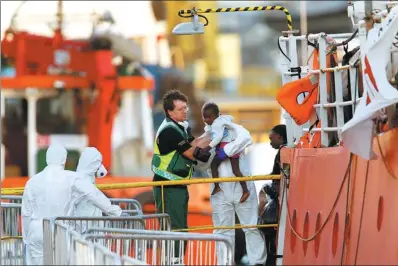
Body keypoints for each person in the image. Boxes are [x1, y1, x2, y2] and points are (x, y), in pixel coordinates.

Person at [21, 143, 123, 265]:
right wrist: (115, 211)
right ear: (64, 159)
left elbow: (26, 213)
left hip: (37, 230)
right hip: (60, 230)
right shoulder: (71, 178)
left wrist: (26, 237)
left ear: (47, 159)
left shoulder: (32, 182)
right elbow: (94, 195)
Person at [151, 89, 211, 264]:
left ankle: (176, 260)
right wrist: (212, 139)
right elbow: (194, 153)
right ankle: (174, 261)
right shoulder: (169, 131)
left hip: (177, 185)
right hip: (167, 186)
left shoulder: (180, 127)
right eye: (180, 109)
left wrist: (212, 132)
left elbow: (193, 143)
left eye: (185, 108)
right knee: (174, 227)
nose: (185, 111)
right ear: (170, 112)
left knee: (180, 226)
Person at [200, 118, 266, 266]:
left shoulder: (237, 130)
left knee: (251, 226)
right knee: (222, 229)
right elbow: (201, 161)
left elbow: (246, 138)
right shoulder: (207, 135)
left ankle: (258, 262)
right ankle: (224, 262)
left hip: (240, 187)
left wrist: (225, 151)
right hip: (220, 190)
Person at [201, 102, 250, 203]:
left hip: (225, 148)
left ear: (215, 116)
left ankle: (217, 186)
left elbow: (217, 138)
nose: (205, 120)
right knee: (236, 170)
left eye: (208, 117)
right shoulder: (223, 119)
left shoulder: (215, 124)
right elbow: (230, 118)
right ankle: (245, 190)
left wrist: (208, 148)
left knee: (214, 164)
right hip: (233, 146)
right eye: (204, 117)